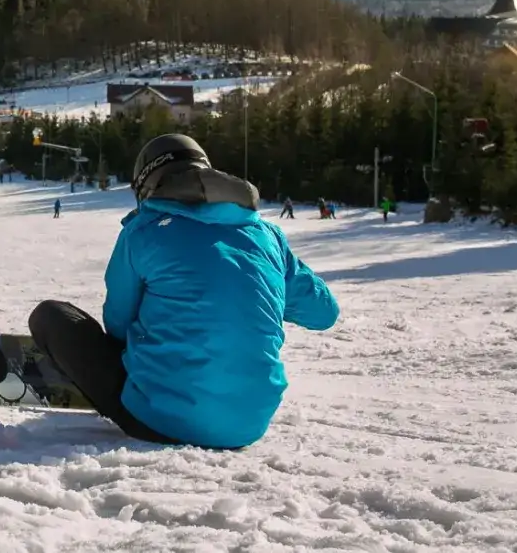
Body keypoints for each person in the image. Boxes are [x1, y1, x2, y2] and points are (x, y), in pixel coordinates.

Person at [28, 134, 339, 450]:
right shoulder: (267, 235)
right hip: (247, 427)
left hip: (156, 421)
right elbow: (324, 314)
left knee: (51, 315)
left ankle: (149, 392)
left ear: (147, 185)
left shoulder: (142, 231)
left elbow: (118, 325)